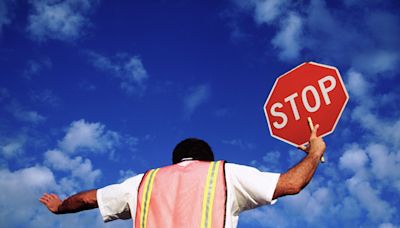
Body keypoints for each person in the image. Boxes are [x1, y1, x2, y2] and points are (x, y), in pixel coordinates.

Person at [39, 120, 326, 227]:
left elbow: (88, 199)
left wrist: (59, 207)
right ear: (207, 159)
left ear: (175, 160)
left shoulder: (143, 183)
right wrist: (315, 152)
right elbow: (291, 184)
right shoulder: (223, 174)